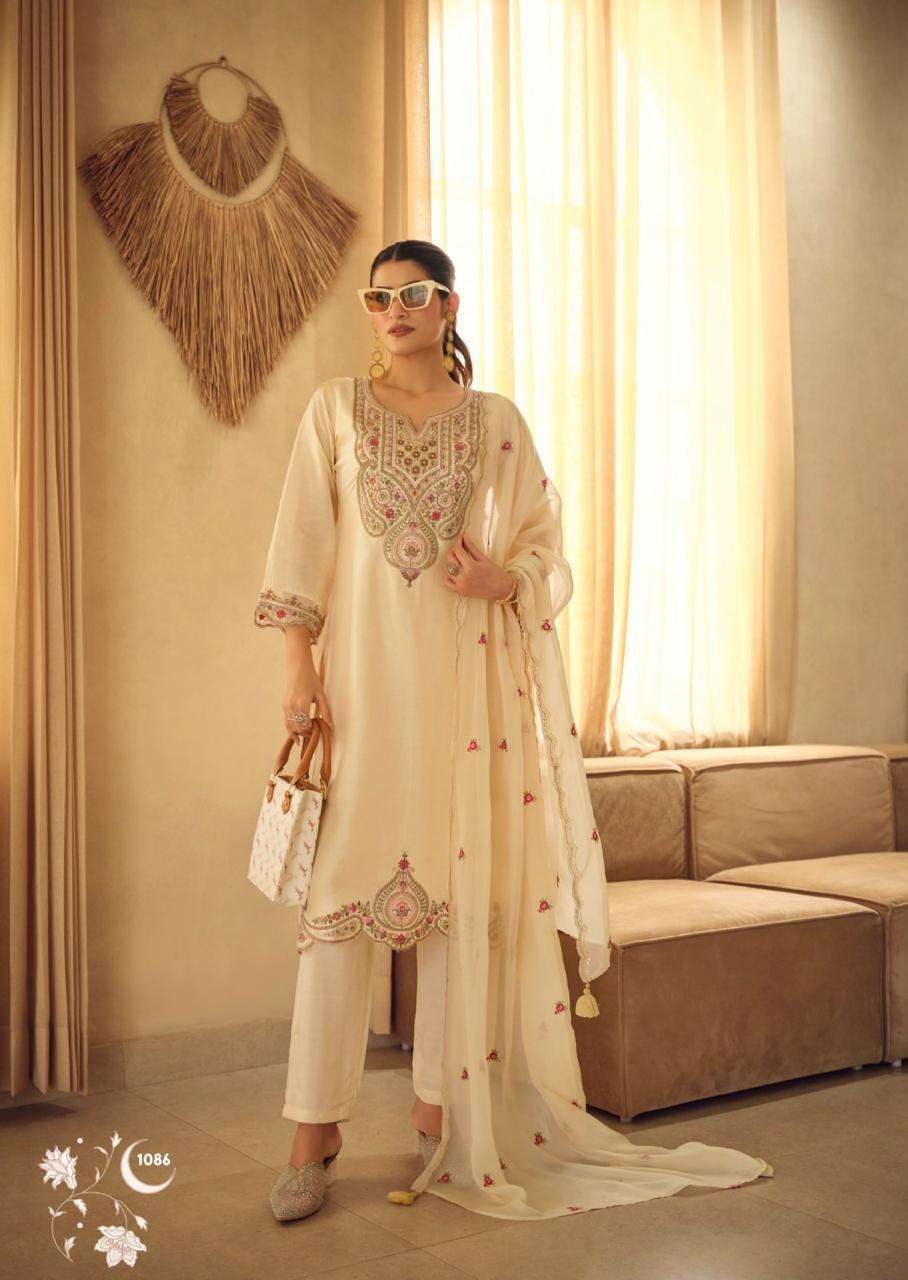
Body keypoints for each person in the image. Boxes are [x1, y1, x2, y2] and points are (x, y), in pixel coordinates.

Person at [254, 239, 773, 1223]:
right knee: (333, 913)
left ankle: (438, 1116)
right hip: (361, 693)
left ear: (448, 305)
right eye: (379, 297)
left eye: (414, 294)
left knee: (463, 907)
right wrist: (298, 664)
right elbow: (300, 543)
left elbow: (544, 543)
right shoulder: (334, 408)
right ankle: (311, 1132)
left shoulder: (495, 422)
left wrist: (507, 580)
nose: (395, 310)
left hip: (469, 693)